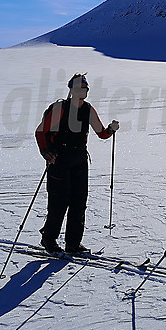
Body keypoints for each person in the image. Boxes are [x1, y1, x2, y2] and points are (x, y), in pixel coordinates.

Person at [35, 73, 119, 255]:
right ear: (71, 90)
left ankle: (73, 243)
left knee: (79, 202)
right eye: (80, 88)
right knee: (59, 201)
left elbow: (102, 133)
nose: (83, 91)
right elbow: (40, 132)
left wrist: (111, 130)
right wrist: (45, 152)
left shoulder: (88, 109)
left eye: (85, 88)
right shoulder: (60, 108)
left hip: (80, 158)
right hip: (59, 159)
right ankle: (49, 239)